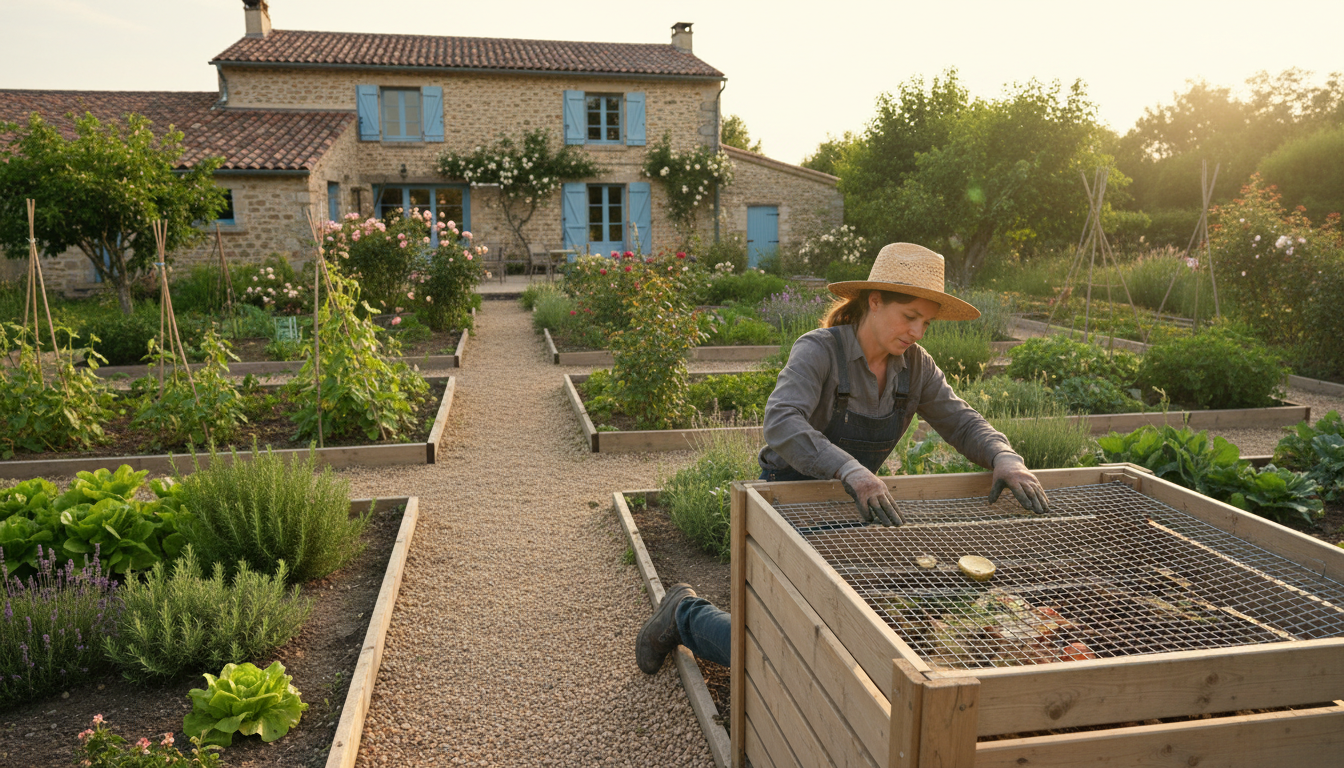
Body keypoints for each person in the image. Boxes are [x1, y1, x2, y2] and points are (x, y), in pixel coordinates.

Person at [636, 242, 1052, 674]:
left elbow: (961, 421)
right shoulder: (819, 350)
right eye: (910, 316)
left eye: (926, 322)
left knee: (836, 635)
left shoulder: (915, 367)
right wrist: (850, 468)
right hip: (789, 504)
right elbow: (781, 420)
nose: (917, 332)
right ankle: (684, 613)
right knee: (776, 643)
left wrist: (1005, 457)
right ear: (875, 301)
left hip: (854, 507)